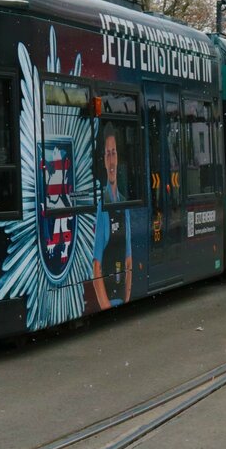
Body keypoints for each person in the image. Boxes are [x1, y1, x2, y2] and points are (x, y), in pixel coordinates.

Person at [91, 124, 132, 310]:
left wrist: (127, 298)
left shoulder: (124, 204)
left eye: (113, 153)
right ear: (104, 161)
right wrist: (106, 306)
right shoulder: (103, 206)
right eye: (107, 154)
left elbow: (129, 260)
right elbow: (96, 267)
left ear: (118, 157)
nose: (111, 159)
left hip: (122, 299)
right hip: (109, 301)